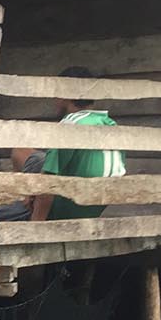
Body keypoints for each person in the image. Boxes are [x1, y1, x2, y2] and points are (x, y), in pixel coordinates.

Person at [28, 67, 126, 221]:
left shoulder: (70, 125)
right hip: (91, 210)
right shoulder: (110, 124)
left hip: (61, 212)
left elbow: (48, 186)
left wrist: (35, 227)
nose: (55, 100)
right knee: (38, 159)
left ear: (65, 95)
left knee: (20, 153)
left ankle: (25, 202)